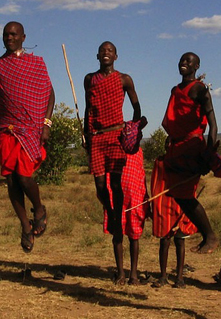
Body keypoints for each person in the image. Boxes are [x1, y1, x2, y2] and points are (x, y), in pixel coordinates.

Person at [0, 21, 54, 253]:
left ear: (24, 37)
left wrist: (46, 124)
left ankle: (40, 209)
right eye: (6, 34)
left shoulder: (36, 63)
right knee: (12, 180)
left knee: (24, 177)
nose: (9, 38)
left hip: (32, 128)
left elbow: (49, 93)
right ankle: (25, 226)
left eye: (14, 34)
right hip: (7, 130)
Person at [83, 41, 142, 284]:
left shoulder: (124, 79)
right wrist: (85, 135)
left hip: (117, 134)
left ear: (116, 56)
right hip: (96, 137)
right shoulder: (90, 79)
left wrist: (134, 129)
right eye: (102, 51)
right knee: (99, 186)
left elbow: (137, 108)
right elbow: (87, 109)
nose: (106, 54)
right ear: (97, 55)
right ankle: (113, 214)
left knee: (116, 184)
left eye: (110, 51)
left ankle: (116, 216)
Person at [161, 52, 220, 254]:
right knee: (178, 194)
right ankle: (207, 235)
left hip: (192, 147)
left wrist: (208, 155)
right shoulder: (175, 90)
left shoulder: (200, 90)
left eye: (189, 61)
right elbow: (174, 120)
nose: (184, 63)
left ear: (197, 66)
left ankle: (210, 235)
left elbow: (213, 126)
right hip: (176, 148)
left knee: (184, 194)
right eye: (182, 60)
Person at [102, 148, 149, 285]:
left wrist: (146, 198)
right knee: (117, 235)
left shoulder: (139, 151)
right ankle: (121, 273)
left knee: (134, 236)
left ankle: (133, 274)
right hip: (116, 197)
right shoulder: (114, 149)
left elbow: (142, 174)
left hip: (135, 197)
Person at [150, 155, 197, 289]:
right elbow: (155, 182)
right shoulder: (159, 161)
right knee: (164, 240)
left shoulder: (185, 161)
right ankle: (163, 276)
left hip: (180, 202)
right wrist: (155, 204)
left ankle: (179, 277)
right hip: (163, 201)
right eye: (167, 143)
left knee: (180, 240)